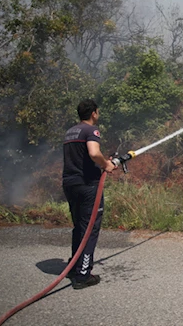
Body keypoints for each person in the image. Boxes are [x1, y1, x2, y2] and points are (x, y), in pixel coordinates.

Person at [62, 99, 115, 289]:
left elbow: (81, 157)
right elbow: (93, 153)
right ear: (94, 113)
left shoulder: (70, 132)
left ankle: (74, 266)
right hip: (87, 185)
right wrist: (106, 164)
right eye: (97, 111)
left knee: (79, 226)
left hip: (70, 184)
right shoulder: (91, 130)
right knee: (90, 229)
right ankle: (83, 275)